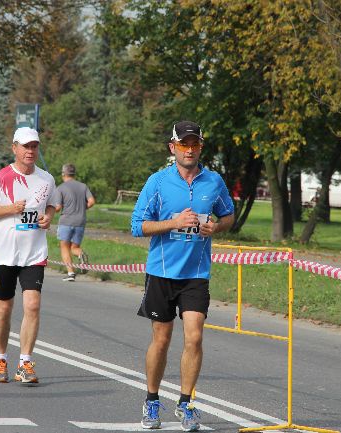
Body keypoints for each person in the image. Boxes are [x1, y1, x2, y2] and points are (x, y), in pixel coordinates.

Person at [131, 121, 234, 431]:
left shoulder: (213, 181)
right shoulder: (158, 182)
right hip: (161, 271)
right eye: (183, 144)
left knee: (195, 336)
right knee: (161, 340)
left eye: (195, 144)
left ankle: (186, 403)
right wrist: (173, 222)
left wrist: (216, 227)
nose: (190, 149)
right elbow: (138, 225)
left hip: (196, 273)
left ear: (200, 147)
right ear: (172, 147)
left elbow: (228, 214)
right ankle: (151, 401)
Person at [0, 127, 57, 384]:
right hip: (4, 254)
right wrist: (10, 208)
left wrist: (49, 217)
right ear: (14, 148)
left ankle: (25, 363)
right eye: (25, 146)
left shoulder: (46, 179)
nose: (30, 151)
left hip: (34, 253)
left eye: (34, 146)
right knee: (4, 307)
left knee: (32, 305)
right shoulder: (0, 178)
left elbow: (52, 203)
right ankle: (0, 359)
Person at [52, 163, 95, 282]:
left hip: (66, 221)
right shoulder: (83, 186)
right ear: (74, 173)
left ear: (63, 174)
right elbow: (91, 201)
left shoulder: (60, 188)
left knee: (64, 247)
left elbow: (57, 208)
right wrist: (82, 208)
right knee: (75, 247)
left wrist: (49, 207)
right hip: (80, 221)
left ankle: (70, 273)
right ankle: (80, 254)